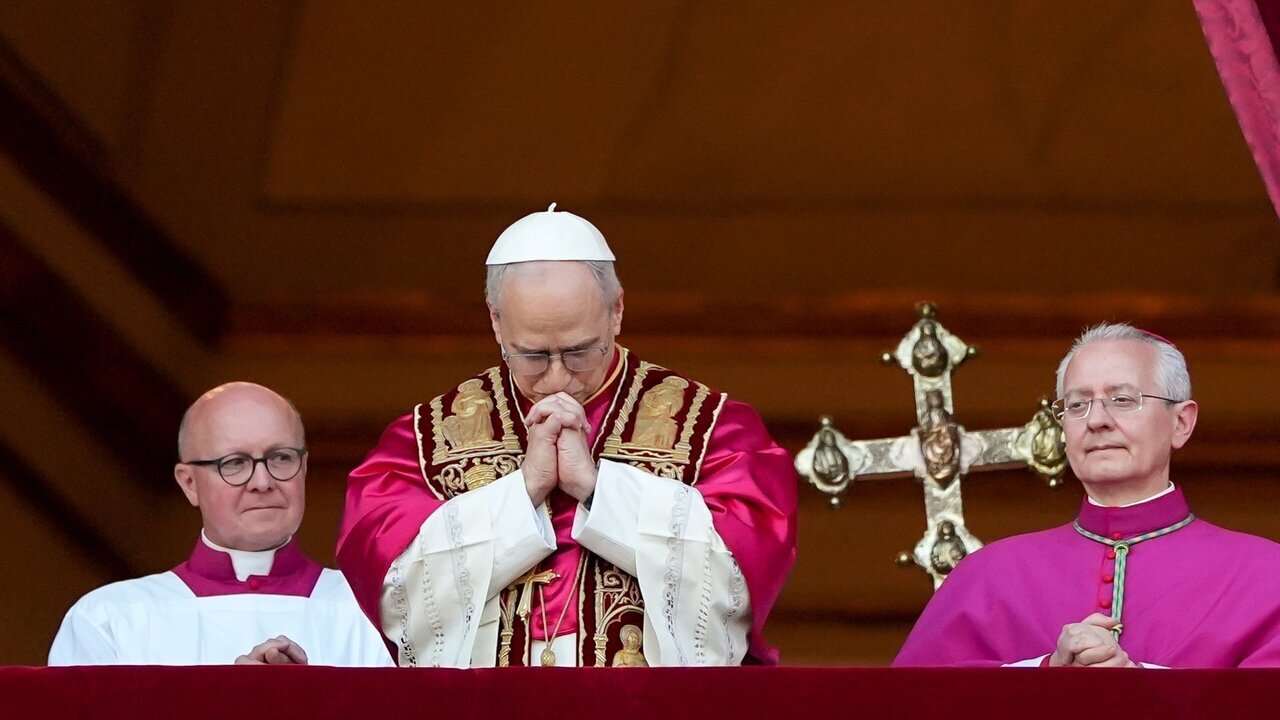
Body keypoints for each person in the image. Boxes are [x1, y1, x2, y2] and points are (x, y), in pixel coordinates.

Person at [337, 204, 797, 668]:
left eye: (578, 352)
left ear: (616, 311)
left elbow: (737, 582)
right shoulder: (423, 441)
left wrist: (599, 491)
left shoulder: (713, 429)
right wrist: (522, 493)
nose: (557, 379)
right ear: (496, 321)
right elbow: (394, 593)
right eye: (533, 355)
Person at [894, 323, 1280, 668]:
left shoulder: (1266, 577)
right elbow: (904, 704)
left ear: (1181, 422)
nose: (1096, 421)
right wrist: (1044, 673)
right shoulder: (987, 576)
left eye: (1123, 400)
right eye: (1077, 405)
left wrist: (1141, 685)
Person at [49, 382, 392, 666]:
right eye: (235, 463)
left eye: (281, 458)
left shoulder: (378, 614)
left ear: (303, 468)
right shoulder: (110, 619)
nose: (262, 481)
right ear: (189, 483)